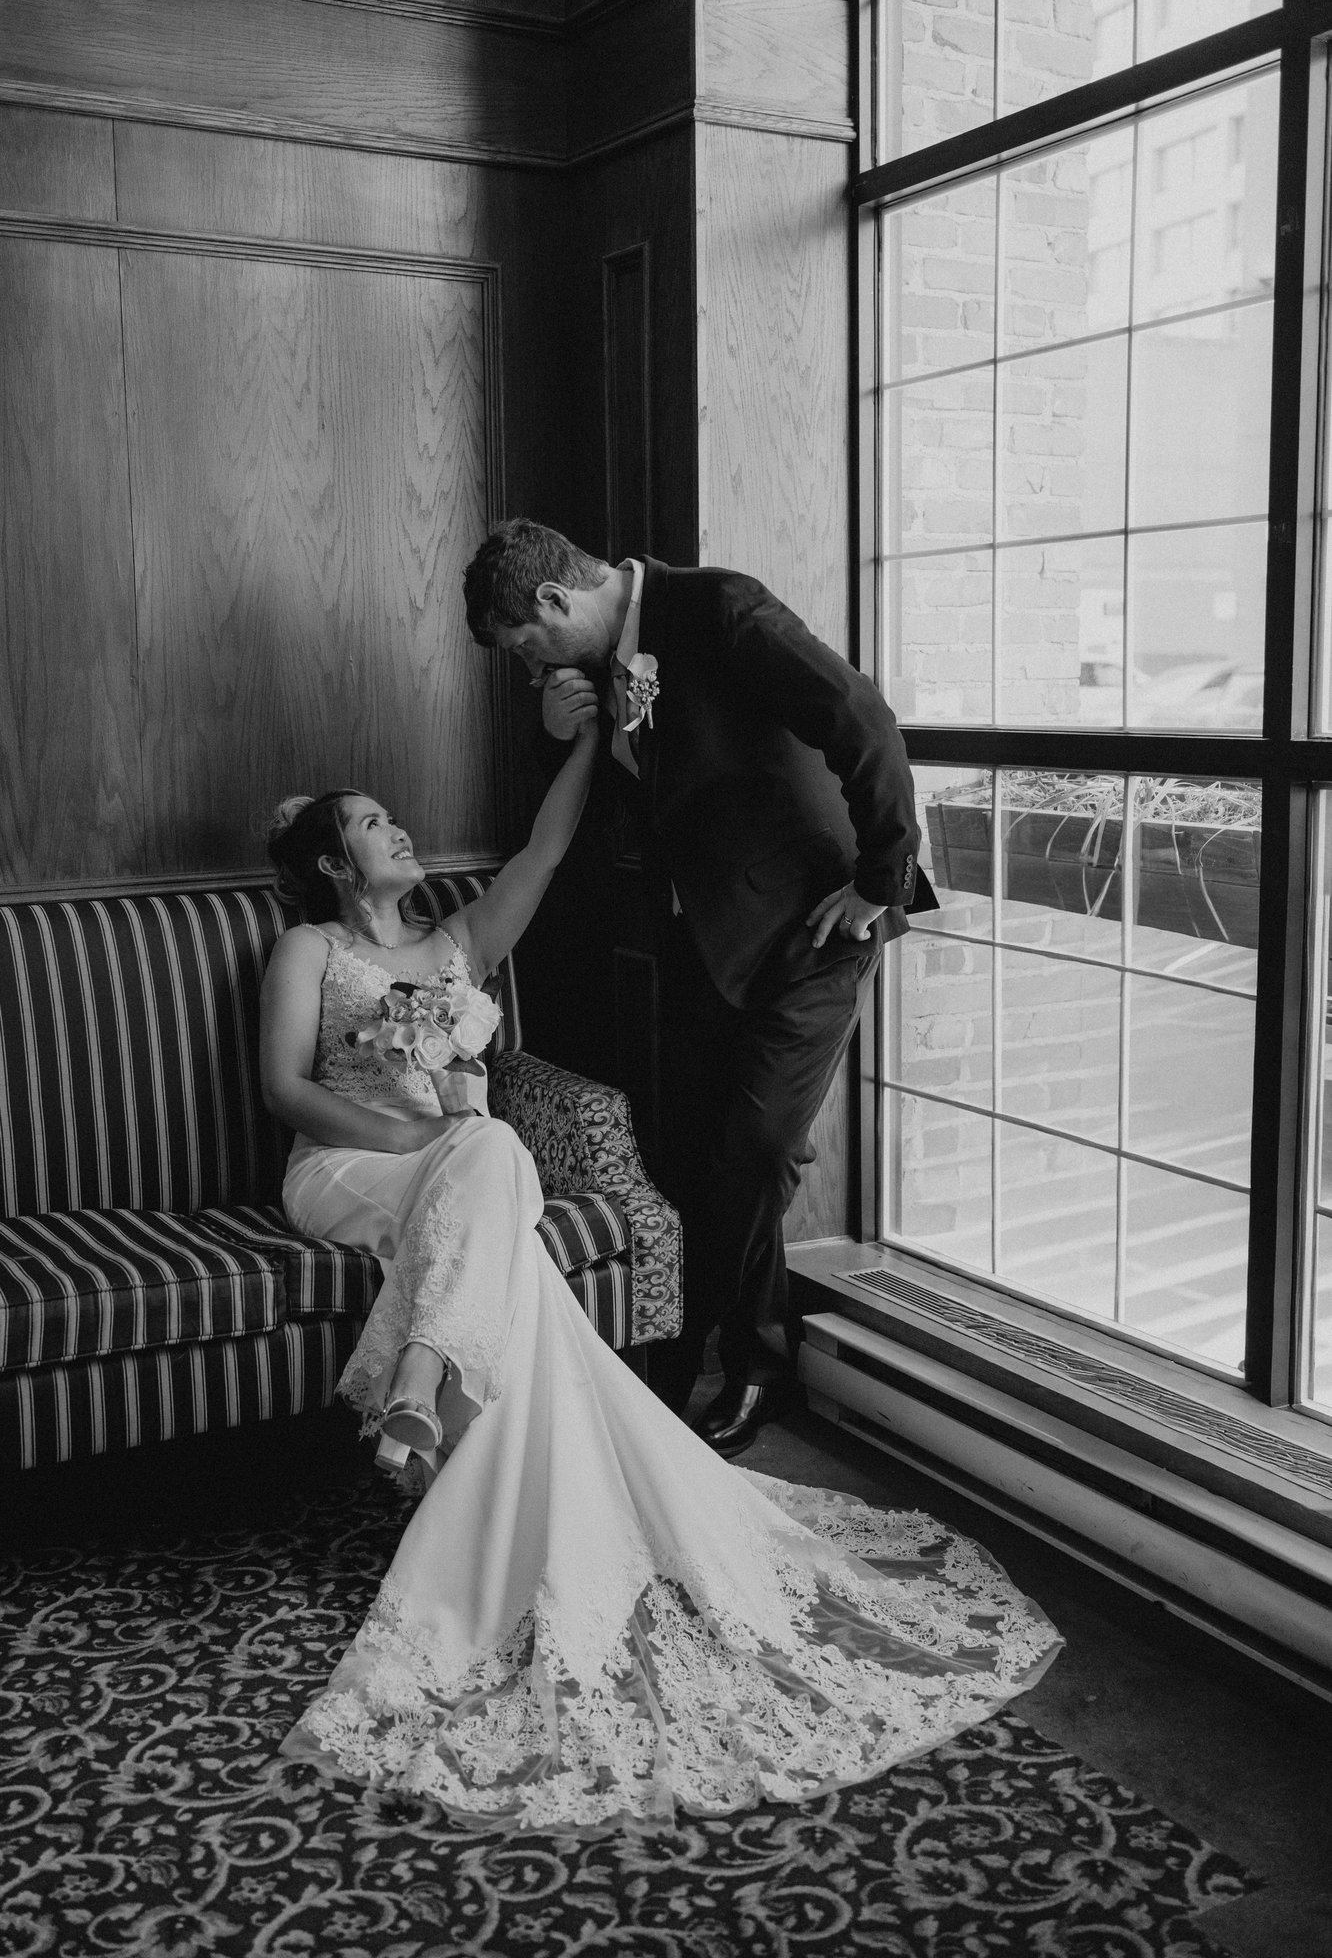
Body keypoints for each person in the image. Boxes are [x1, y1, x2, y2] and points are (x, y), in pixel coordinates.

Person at [259, 719, 1058, 1834]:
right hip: (348, 1164)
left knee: (492, 1152)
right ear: (339, 865)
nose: (401, 830)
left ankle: (424, 1385)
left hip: (457, 1168)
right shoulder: (307, 950)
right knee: (488, 1157)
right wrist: (409, 1142)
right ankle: (423, 1381)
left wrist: (591, 733)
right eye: (374, 825)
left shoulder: (457, 944)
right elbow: (287, 1092)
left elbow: (542, 847)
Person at [462, 519, 937, 1455]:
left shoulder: (719, 607)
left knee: (760, 1147)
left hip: (814, 926)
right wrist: (561, 735)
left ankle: (706, 1367)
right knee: (700, 1151)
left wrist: (882, 880)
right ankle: (747, 1361)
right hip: (704, 942)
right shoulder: (596, 668)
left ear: (557, 602)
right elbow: (612, 804)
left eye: (525, 648)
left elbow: (864, 718)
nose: (529, 670)